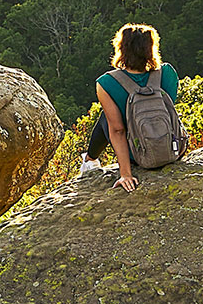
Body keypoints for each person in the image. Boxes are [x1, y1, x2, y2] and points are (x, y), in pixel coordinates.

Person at [77, 23, 179, 192]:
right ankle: (89, 160)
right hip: (171, 148)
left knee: (106, 117)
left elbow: (118, 131)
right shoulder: (167, 72)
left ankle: (89, 161)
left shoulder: (106, 82)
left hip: (139, 154)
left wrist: (125, 174)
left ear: (121, 49)